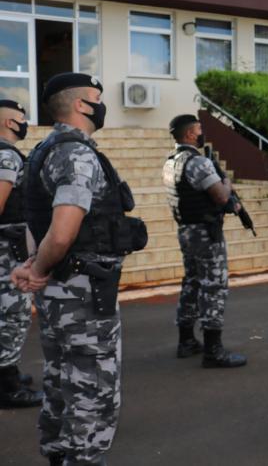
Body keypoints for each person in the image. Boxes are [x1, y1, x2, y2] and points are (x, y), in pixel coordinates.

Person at [13, 72, 148, 465]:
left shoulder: (43, 149)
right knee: (93, 391)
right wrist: (38, 267)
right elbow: (63, 229)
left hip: (64, 287)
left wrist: (32, 264)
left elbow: (35, 219)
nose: (101, 104)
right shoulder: (75, 152)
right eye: (96, 97)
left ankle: (60, 456)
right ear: (80, 105)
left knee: (62, 382)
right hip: (83, 292)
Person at [163, 115, 246, 369]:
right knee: (214, 286)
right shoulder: (199, 162)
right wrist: (227, 183)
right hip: (205, 232)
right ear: (189, 134)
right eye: (199, 130)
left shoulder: (171, 161)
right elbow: (221, 197)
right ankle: (213, 349)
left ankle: (186, 340)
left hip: (186, 230)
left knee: (192, 282)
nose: (202, 134)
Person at [0, 99, 43, 408]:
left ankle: (9, 372)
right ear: (9, 123)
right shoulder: (6, 156)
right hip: (7, 251)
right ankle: (7, 387)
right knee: (11, 316)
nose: (25, 123)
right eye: (21, 118)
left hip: (9, 247)